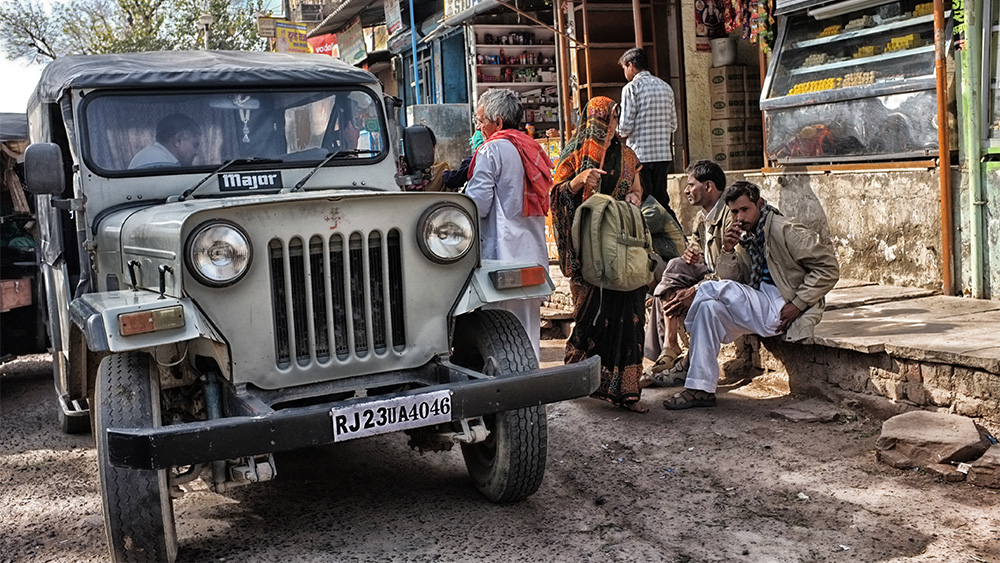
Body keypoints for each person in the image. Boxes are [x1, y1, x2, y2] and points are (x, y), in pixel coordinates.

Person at [661, 181, 840, 409]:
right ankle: (701, 389)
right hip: (759, 302)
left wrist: (799, 303)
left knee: (711, 290)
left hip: (784, 305)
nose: (739, 217)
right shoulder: (746, 236)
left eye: (745, 210)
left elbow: (829, 268)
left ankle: (687, 355)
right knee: (708, 309)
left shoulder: (785, 229)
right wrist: (727, 250)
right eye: (735, 212)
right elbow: (734, 280)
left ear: (760, 204)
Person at [550, 96, 648, 413]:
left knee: (630, 315)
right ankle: (575, 375)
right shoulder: (574, 155)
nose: (612, 128)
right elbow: (555, 196)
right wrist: (578, 182)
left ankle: (626, 391)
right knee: (590, 316)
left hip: (618, 246)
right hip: (587, 251)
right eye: (607, 121)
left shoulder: (627, 155)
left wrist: (633, 197)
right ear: (594, 122)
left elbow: (637, 189)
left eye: (615, 121)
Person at [465, 89, 554, 361]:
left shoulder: (492, 149)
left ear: (498, 122)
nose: (479, 127)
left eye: (481, 121)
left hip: (500, 256)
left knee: (500, 332)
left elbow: (477, 204)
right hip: (532, 256)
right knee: (528, 330)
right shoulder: (531, 147)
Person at [643, 159, 747, 384]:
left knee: (687, 300)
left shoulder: (730, 214)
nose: (686, 190)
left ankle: (677, 360)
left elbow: (732, 269)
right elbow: (697, 250)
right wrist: (690, 256)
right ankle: (669, 346)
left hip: (730, 281)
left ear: (708, 186)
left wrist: (695, 288)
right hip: (709, 274)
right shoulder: (702, 218)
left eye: (691, 185)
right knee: (674, 269)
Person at [617, 48, 678, 216]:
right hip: (664, 155)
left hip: (640, 156)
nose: (624, 72)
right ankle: (674, 236)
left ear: (630, 66)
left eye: (624, 68)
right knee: (661, 200)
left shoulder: (631, 88)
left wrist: (617, 130)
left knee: (646, 203)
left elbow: (624, 128)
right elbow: (673, 125)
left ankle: (652, 239)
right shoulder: (666, 87)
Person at [129, 113, 202, 169]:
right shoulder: (158, 162)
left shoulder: (153, 156)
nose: (196, 153)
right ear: (178, 140)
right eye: (195, 145)